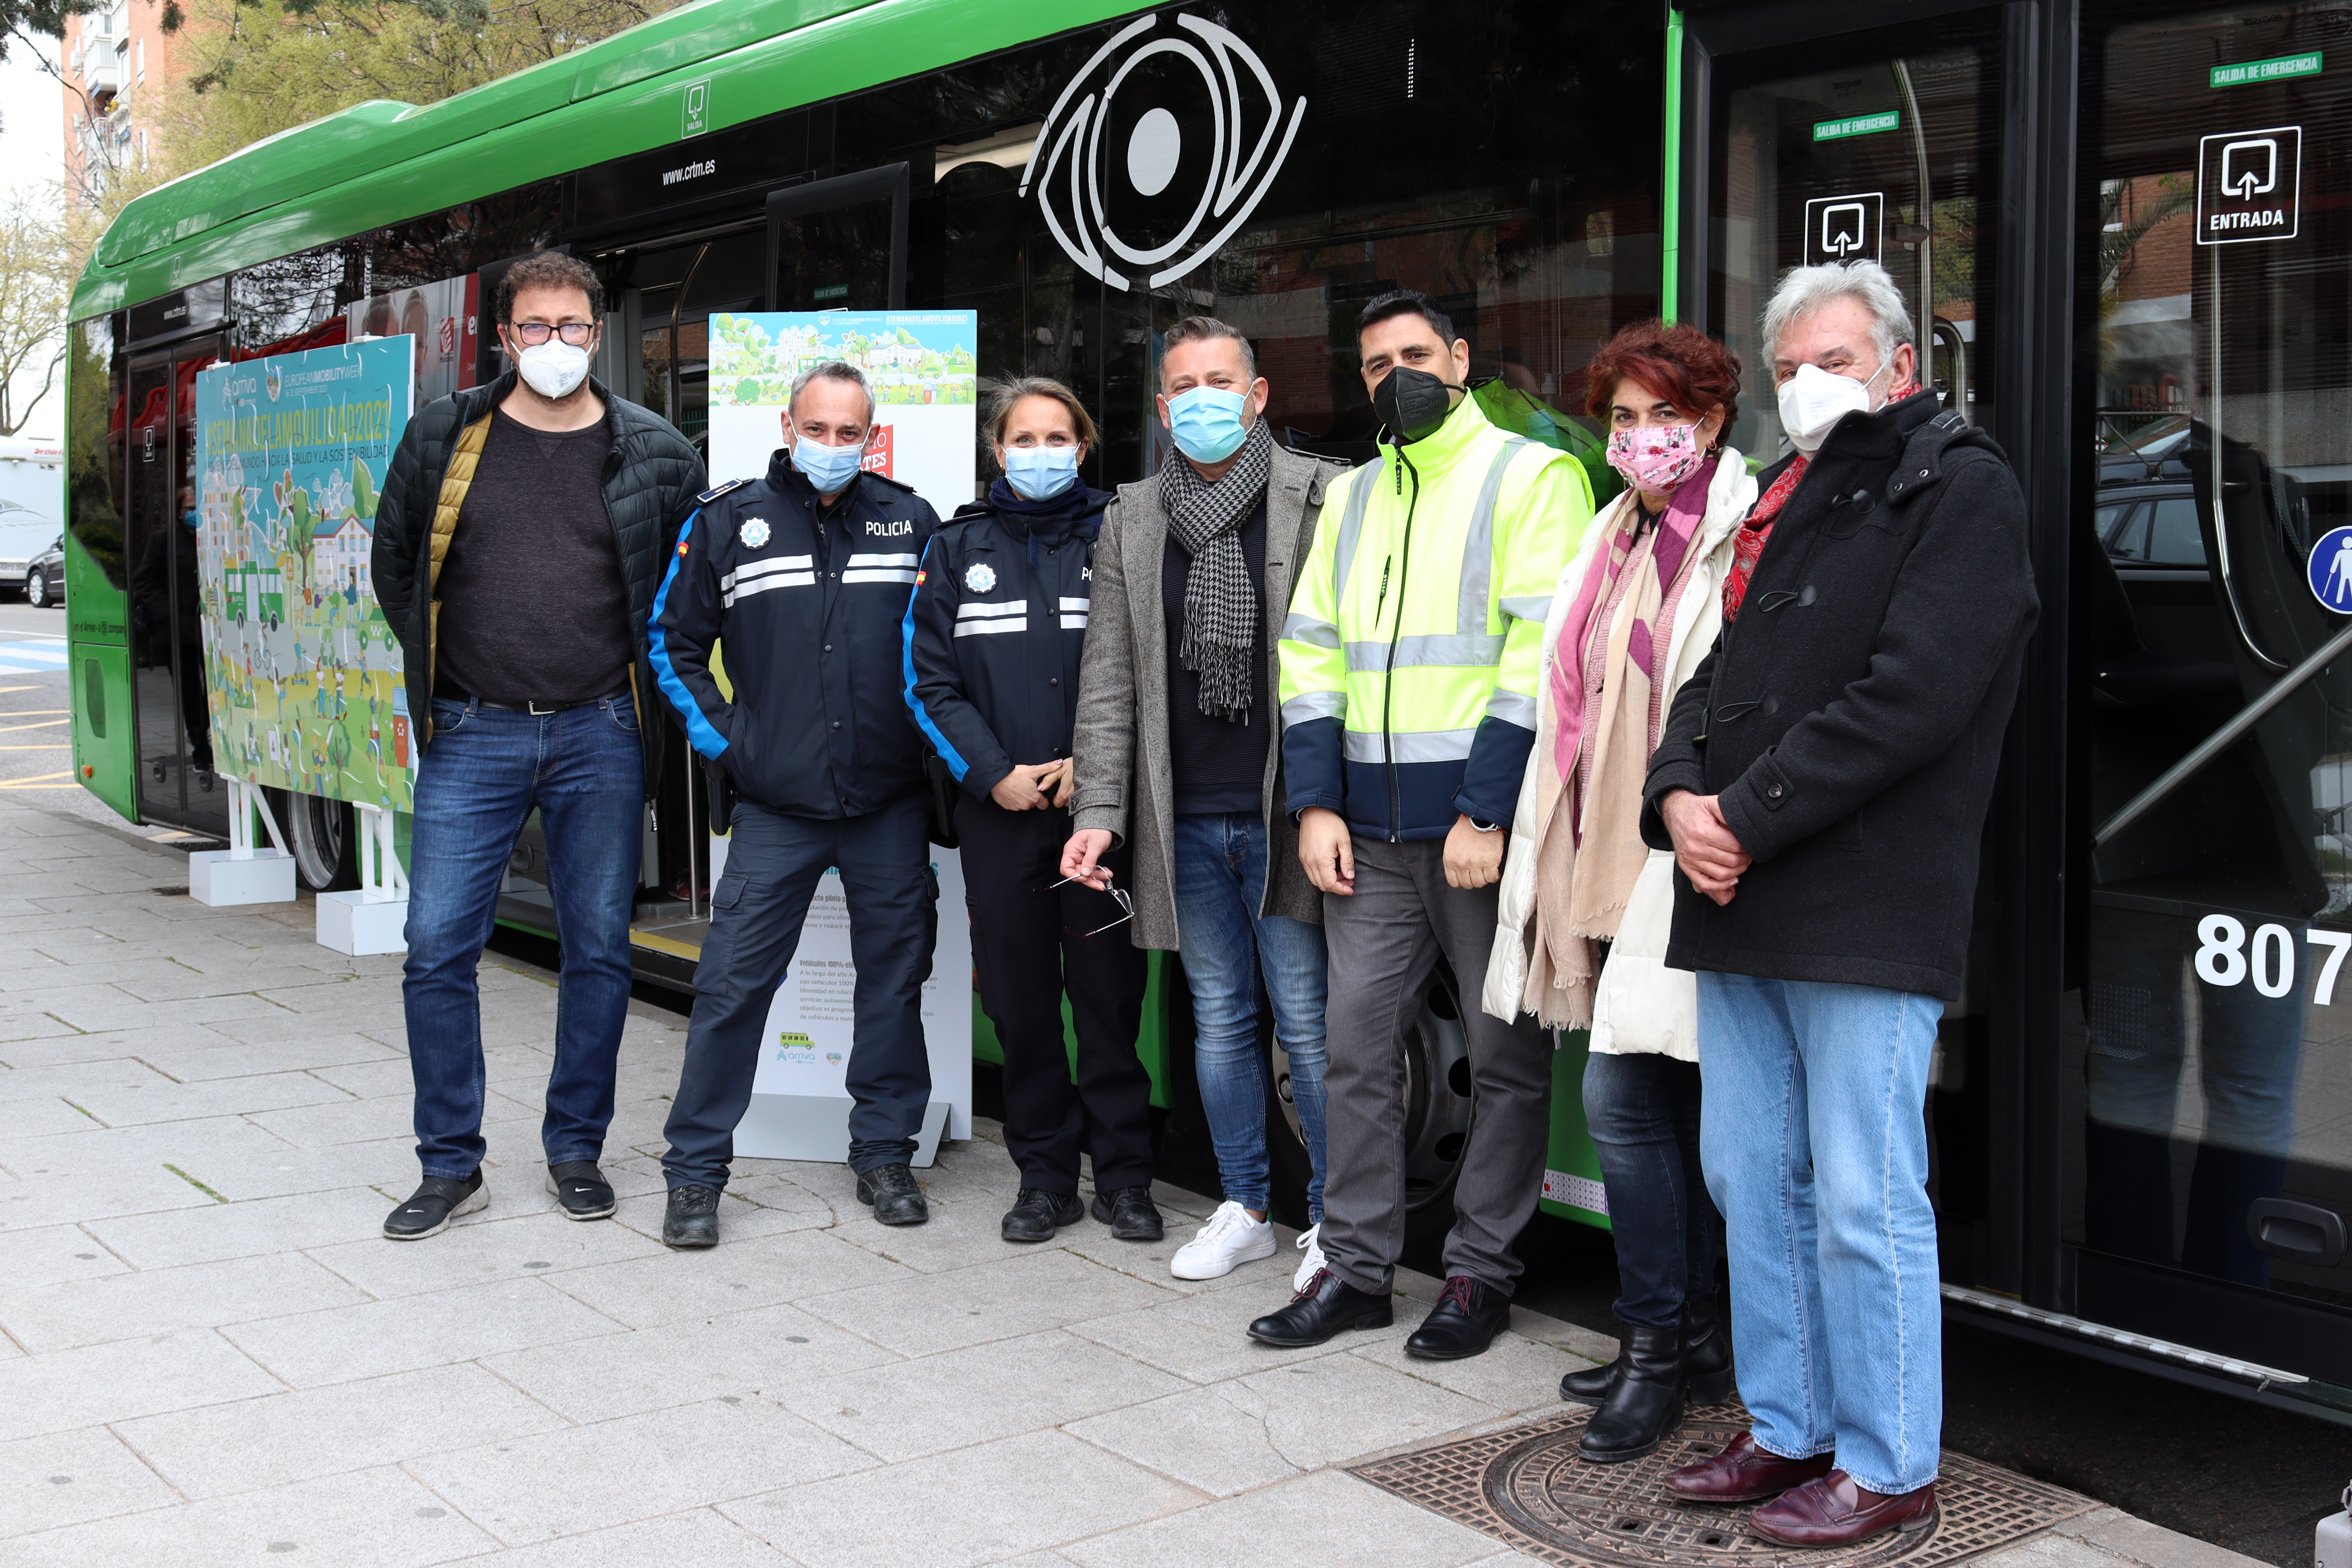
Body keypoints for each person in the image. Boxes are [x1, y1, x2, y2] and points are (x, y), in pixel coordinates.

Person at [1644, 260, 2037, 1545]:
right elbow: (1711, 675)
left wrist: (1737, 817)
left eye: (1838, 361)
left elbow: (1914, 696)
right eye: (1792, 365)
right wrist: (1675, 800)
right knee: (1752, 1176)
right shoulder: (1783, 495)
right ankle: (1788, 1424)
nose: (1810, 384)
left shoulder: (1960, 484)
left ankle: (1889, 1460)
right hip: (1744, 893)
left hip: (1862, 901)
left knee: (1866, 1194)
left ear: (1901, 368)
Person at [1256, 289, 1591, 1356]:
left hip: (1475, 833)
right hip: (1366, 823)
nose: (1394, 375)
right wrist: (1313, 802)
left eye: (1413, 353)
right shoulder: (1351, 497)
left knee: (1501, 1061)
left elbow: (1539, 657)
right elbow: (1307, 653)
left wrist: (1486, 809)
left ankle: (1478, 1276)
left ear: (1457, 359)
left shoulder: (1529, 476)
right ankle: (1355, 1268)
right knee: (1354, 1052)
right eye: (1371, 363)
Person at [371, 250, 704, 1240]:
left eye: (571, 329)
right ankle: (448, 1163)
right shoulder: (446, 434)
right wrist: (453, 676)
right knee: (436, 947)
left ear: (596, 335)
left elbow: (684, 590)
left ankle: (575, 1149)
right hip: (472, 727)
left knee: (598, 948)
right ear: (504, 336)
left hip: (600, 729)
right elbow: (397, 568)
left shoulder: (655, 450)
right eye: (533, 328)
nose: (553, 345)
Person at [1480, 321, 1757, 1461]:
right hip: (1599, 843)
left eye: (1664, 418)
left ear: (1713, 423)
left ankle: (1656, 1347)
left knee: (1627, 1106)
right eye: (1623, 419)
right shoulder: (1608, 534)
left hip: (1684, 854)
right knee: (1659, 1110)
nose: (1641, 440)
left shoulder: (1744, 531)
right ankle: (1686, 1333)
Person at [1061, 317, 1347, 1285]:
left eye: (1219, 380)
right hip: (1180, 809)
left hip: (1286, 806)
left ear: (1259, 395)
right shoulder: (1130, 515)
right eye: (1182, 385)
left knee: (1306, 1019)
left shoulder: (1322, 494)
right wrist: (1097, 810)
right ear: (1159, 406)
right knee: (1220, 1017)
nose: (1201, 398)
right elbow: (1106, 677)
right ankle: (1246, 1206)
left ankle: (1336, 1221)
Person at [648, 359, 943, 1245]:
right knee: (734, 986)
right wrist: (735, 745)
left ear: (871, 435)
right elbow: (672, 642)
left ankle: (884, 1150)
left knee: (893, 985)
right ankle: (696, 1172)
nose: (830, 445)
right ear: (787, 424)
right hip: (778, 805)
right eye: (816, 428)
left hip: (887, 804)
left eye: (848, 431)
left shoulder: (912, 521)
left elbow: (942, 657)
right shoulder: (728, 522)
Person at [904, 377, 1161, 1245]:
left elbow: (1146, 668)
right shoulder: (956, 546)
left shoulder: (1123, 530)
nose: (1042, 451)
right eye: (1025, 437)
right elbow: (926, 678)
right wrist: (995, 772)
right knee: (1018, 1002)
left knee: (1109, 998)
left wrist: (1098, 768)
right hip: (1003, 813)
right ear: (998, 449)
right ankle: (1046, 1176)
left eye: (1060, 437)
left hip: (1103, 811)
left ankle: (1126, 1178)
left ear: (1084, 448)